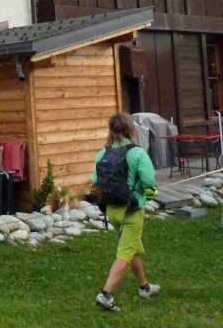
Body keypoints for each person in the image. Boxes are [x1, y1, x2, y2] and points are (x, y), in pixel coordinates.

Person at [92, 112, 159, 312]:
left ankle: (144, 287)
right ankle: (106, 294)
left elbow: (96, 180)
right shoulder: (137, 153)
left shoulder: (102, 154)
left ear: (111, 130)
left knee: (132, 249)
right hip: (131, 212)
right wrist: (150, 192)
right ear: (131, 129)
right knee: (125, 253)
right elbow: (149, 181)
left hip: (111, 211)